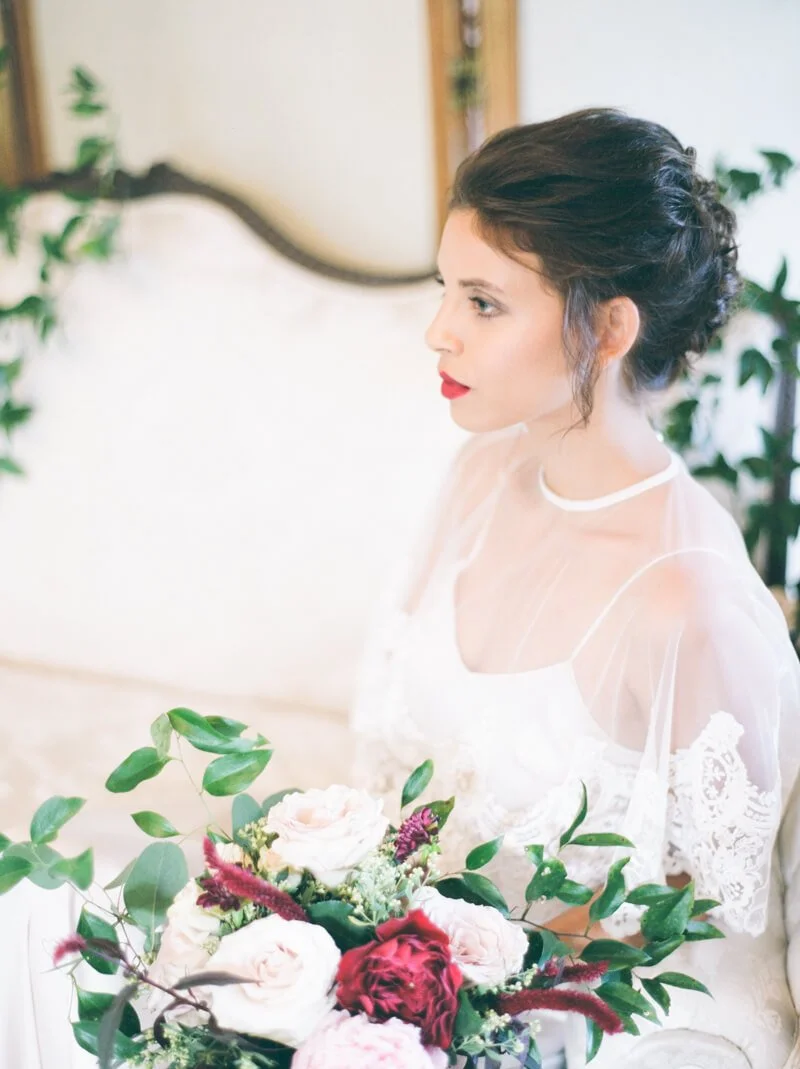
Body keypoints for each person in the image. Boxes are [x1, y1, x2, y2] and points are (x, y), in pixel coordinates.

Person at [349, 108, 800, 1069]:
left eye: (482, 303)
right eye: (445, 290)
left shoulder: (692, 604)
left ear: (607, 327)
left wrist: (475, 995)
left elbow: (703, 906)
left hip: (621, 1014)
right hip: (429, 978)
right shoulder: (478, 478)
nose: (437, 333)